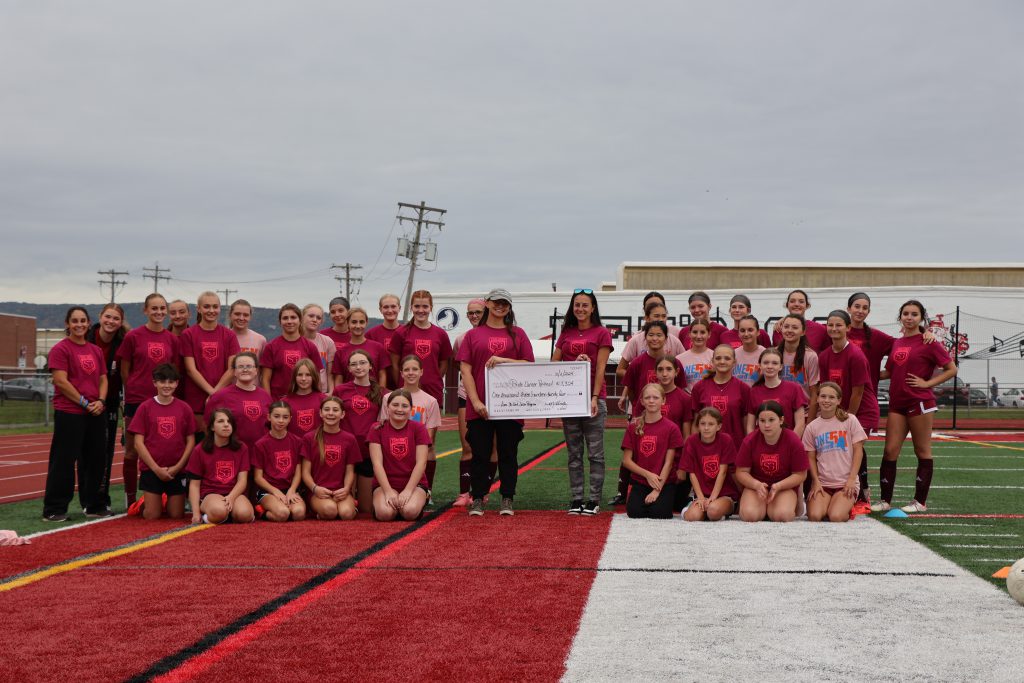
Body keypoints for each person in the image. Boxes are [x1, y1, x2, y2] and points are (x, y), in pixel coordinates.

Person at [457, 288, 535, 517]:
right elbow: (466, 370)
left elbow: (529, 365)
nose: (500, 306)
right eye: (496, 302)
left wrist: (503, 359)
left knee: (508, 453)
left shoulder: (518, 334)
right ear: (488, 304)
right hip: (480, 406)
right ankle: (478, 497)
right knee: (479, 453)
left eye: (505, 304)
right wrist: (476, 401)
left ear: (509, 308)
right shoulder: (473, 335)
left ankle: (507, 498)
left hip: (510, 405)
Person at [873, 300, 957, 513]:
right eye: (906, 314)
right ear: (900, 317)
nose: (909, 317)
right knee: (890, 451)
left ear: (921, 318)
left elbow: (951, 369)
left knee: (922, 450)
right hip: (897, 404)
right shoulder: (897, 343)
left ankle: (919, 502)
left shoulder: (929, 342)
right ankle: (885, 500)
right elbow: (889, 372)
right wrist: (865, 375)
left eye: (914, 314)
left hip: (920, 402)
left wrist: (927, 384)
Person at [42, 307, 110, 521]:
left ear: (89, 323)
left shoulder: (95, 350)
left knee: (96, 459)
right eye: (75, 321)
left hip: (95, 412)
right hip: (70, 412)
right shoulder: (61, 349)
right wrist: (84, 402)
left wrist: (100, 401)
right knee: (64, 460)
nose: (79, 324)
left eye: (83, 320)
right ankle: (54, 508)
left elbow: (102, 379)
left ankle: (94, 505)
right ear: (67, 324)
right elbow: (61, 381)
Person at [552, 288, 613, 516]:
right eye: (577, 305)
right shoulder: (566, 332)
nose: (580, 309)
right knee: (574, 453)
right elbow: (553, 364)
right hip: (569, 401)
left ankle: (593, 499)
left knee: (595, 454)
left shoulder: (601, 333)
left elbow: (600, 368)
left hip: (593, 400)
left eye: (585, 305)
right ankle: (577, 497)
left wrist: (595, 397)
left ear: (593, 308)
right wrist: (574, 363)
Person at [116, 293, 179, 507]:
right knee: (132, 449)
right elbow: (125, 370)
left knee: (165, 446)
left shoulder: (172, 339)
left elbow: (174, 370)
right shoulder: (133, 337)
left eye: (163, 308)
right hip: (137, 400)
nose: (159, 312)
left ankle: (160, 494)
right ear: (145, 310)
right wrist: (131, 391)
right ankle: (130, 498)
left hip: (164, 401)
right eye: (154, 308)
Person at [126, 364, 195, 520]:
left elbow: (190, 440)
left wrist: (178, 467)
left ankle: (162, 500)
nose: (167, 385)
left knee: (176, 515)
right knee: (152, 516)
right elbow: (138, 443)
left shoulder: (184, 408)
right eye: (162, 381)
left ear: (177, 383)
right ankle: (144, 503)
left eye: (171, 382)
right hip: (152, 469)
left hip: (176, 471)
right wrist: (156, 469)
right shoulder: (145, 408)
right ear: (154, 383)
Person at [85, 303, 128, 514]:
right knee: (81, 454)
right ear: (100, 316)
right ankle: (85, 498)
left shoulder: (123, 342)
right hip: (82, 402)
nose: (111, 321)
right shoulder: (86, 337)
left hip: (108, 403)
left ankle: (101, 498)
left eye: (116, 318)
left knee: (105, 453)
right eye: (108, 317)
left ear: (121, 322)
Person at [734, 401, 808, 523]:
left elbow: (801, 474)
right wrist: (756, 485)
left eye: (771, 420)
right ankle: (762, 507)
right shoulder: (750, 440)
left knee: (782, 516)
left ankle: (779, 506)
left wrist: (778, 486)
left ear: (781, 420)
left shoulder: (793, 440)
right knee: (749, 516)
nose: (766, 425)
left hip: (784, 485)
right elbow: (741, 472)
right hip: (756, 486)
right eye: (762, 421)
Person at [452, 298, 495, 506]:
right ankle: (464, 493)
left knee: (492, 447)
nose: (474, 316)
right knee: (467, 445)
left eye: (478, 312)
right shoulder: (461, 339)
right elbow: (457, 366)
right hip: (467, 396)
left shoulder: (498, 336)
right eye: (470, 313)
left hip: (494, 397)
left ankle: (483, 491)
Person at [803, 382, 867, 523]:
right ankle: (830, 504)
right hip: (823, 484)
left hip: (845, 483)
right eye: (823, 396)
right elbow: (811, 457)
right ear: (818, 399)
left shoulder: (850, 420)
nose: (826, 400)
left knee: (836, 517)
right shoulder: (812, 427)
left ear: (839, 400)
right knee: (814, 516)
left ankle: (847, 506)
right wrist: (816, 481)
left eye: (831, 397)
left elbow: (858, 451)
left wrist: (851, 479)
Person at [380, 355, 442, 496]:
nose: (411, 373)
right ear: (401, 373)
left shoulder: (430, 401)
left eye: (415, 369)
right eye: (407, 370)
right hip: (395, 445)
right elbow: (383, 427)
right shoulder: (388, 398)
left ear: (421, 372)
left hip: (418, 447)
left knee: (430, 449)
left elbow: (429, 438)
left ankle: (427, 490)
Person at [620, 384, 683, 519]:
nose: (651, 401)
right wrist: (647, 474)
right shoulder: (633, 427)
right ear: (642, 401)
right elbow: (626, 461)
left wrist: (656, 490)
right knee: (634, 512)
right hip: (641, 481)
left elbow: (669, 463)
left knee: (660, 513)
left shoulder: (672, 428)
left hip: (664, 481)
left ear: (663, 400)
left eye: (655, 397)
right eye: (647, 398)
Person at [180, 291, 239, 433]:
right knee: (199, 445)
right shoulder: (188, 334)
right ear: (199, 309)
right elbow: (190, 369)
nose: (211, 311)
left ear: (220, 308)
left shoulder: (229, 335)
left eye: (215, 307)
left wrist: (215, 394)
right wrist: (212, 393)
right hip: (196, 400)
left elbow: (232, 369)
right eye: (206, 307)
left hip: (223, 398)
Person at [368, 390, 432, 521]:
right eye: (395, 405)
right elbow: (377, 464)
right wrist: (388, 491)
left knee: (409, 512)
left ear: (411, 409)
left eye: (404, 406)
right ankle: (392, 504)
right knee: (384, 514)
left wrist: (408, 490)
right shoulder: (376, 428)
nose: (399, 409)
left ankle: (417, 500)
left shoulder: (419, 428)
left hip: (414, 484)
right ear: (387, 407)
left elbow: (421, 463)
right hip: (385, 483)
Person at [333, 348, 384, 513]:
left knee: (366, 509)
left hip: (368, 451)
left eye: (362, 363)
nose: (358, 367)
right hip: (345, 450)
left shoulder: (383, 393)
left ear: (370, 366)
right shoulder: (340, 390)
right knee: (342, 506)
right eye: (354, 364)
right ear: (348, 368)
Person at [186, 408, 255, 525]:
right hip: (210, 493)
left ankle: (227, 515)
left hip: (234, 492)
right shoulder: (200, 449)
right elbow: (194, 485)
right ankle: (209, 516)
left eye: (229, 422)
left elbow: (242, 481)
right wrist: (196, 513)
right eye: (221, 421)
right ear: (212, 427)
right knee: (219, 511)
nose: (226, 425)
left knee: (245, 514)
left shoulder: (241, 448)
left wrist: (231, 497)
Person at [301, 396, 361, 521]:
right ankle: (317, 510)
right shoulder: (309, 438)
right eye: (327, 409)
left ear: (342, 414)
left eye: (335, 410)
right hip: (318, 492)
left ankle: (351, 506)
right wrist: (315, 488)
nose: (331, 413)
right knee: (330, 511)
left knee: (346, 514)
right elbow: (305, 472)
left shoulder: (349, 439)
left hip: (340, 491)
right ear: (321, 413)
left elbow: (350, 471)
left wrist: (346, 489)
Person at [390, 290, 453, 406]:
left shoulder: (440, 334)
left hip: (433, 391)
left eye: (425, 306)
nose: (421, 310)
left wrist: (434, 379)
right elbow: (394, 364)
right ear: (411, 308)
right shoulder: (400, 333)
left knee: (431, 425)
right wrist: (402, 382)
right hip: (406, 392)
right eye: (417, 306)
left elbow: (444, 363)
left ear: (431, 308)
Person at [205, 352, 273, 451]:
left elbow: (270, 425)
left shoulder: (265, 396)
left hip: (261, 453)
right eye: (240, 366)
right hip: (233, 453)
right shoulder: (220, 396)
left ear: (256, 370)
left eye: (249, 366)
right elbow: (208, 425)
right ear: (234, 371)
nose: (245, 369)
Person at [680, 407, 738, 522]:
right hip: (701, 493)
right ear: (698, 426)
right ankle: (691, 507)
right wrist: (701, 498)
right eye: (702, 424)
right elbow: (691, 473)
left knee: (713, 511)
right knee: (692, 517)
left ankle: (718, 511)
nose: (706, 428)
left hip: (723, 494)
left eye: (711, 424)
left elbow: (723, 472)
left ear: (719, 426)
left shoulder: (726, 440)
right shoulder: (691, 441)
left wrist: (712, 498)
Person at [252, 401, 307, 522]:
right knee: (283, 514)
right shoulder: (260, 444)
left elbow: (298, 472)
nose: (281, 420)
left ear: (290, 419)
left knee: (299, 514)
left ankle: (285, 503)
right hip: (269, 491)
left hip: (290, 488)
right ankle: (261, 511)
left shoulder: (297, 441)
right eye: (276, 416)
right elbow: (258, 478)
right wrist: (276, 492)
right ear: (269, 417)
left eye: (285, 417)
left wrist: (292, 490)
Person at [689, 344, 751, 447]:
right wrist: (696, 447)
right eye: (718, 358)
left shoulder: (743, 388)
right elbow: (696, 423)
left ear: (734, 362)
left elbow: (746, 423)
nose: (722, 361)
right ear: (712, 361)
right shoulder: (699, 387)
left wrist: (746, 447)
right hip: (706, 447)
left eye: (727, 358)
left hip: (735, 446)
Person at [260, 303, 323, 399]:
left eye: (293, 317)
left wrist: (316, 400)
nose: (289, 321)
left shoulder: (310, 347)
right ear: (279, 321)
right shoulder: (271, 347)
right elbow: (265, 379)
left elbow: (317, 378)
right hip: (279, 403)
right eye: (285, 318)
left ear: (300, 320)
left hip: (304, 401)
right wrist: (269, 403)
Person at [616, 299, 684, 382]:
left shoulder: (674, 341)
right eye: (656, 316)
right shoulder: (636, 340)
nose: (661, 319)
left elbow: (682, 368)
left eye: (663, 316)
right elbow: (620, 370)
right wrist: (640, 377)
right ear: (647, 318)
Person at [746, 347, 807, 438]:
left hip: (787, 445)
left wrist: (790, 445)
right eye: (766, 363)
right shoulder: (754, 391)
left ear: (781, 367)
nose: (770, 366)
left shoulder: (794, 388)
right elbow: (750, 426)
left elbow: (800, 424)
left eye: (774, 363)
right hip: (761, 446)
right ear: (760, 365)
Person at [330, 307, 390, 387]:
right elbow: (339, 380)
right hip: (349, 397)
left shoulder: (378, 347)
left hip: (373, 396)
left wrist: (380, 395)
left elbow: (382, 375)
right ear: (347, 323)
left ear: (366, 323)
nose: (358, 326)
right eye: (354, 322)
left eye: (361, 322)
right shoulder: (340, 352)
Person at [776, 313, 820, 405]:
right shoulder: (774, 353)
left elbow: (814, 394)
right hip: (778, 412)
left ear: (803, 332)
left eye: (795, 328)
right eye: (786, 327)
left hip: (804, 411)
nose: (789, 330)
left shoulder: (810, 356)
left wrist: (810, 419)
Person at [366, 293, 402, 389]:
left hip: (403, 384)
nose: (390, 310)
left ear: (399, 308)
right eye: (386, 307)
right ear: (380, 309)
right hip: (378, 385)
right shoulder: (371, 334)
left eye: (393, 306)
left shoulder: (407, 332)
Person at [283, 358, 327, 438]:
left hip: (317, 446)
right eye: (300, 375)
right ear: (294, 377)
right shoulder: (285, 402)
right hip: (294, 447)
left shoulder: (323, 399)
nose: (303, 379)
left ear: (314, 376)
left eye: (308, 375)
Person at [300, 303, 336, 393]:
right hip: (298, 391)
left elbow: (330, 373)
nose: (314, 320)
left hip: (321, 391)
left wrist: (331, 392)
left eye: (318, 318)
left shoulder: (328, 342)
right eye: (311, 316)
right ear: (302, 317)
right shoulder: (294, 341)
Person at [676, 318, 714, 392]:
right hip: (688, 401)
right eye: (695, 332)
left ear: (709, 334)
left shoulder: (715, 357)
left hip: (709, 401)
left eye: (702, 332)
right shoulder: (679, 359)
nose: (698, 336)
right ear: (689, 334)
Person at [732, 314, 765, 386]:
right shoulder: (733, 354)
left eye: (750, 330)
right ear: (738, 333)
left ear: (758, 332)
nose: (746, 334)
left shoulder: (765, 354)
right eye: (742, 330)